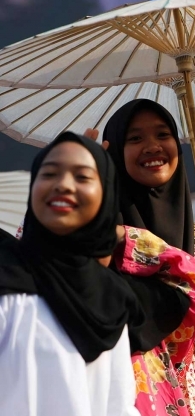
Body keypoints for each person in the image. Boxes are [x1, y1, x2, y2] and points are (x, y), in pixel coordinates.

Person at [101, 99, 195, 415]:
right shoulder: (98, 233)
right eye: (135, 139)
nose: (152, 146)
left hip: (181, 398)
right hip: (118, 395)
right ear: (114, 152)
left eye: (163, 134)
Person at [0, 132, 140, 415]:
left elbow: (119, 405)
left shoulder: (110, 298)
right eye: (49, 173)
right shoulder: (5, 276)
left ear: (106, 194)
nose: (63, 185)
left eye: (83, 176)